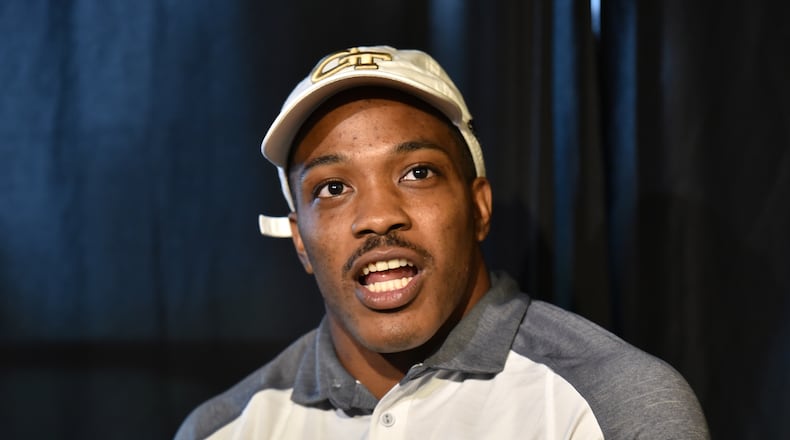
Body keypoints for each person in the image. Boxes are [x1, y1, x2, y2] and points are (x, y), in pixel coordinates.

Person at [175, 45, 709, 439]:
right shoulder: (223, 430)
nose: (378, 216)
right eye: (333, 188)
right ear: (299, 239)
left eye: (417, 173)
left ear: (479, 208)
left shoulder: (616, 404)